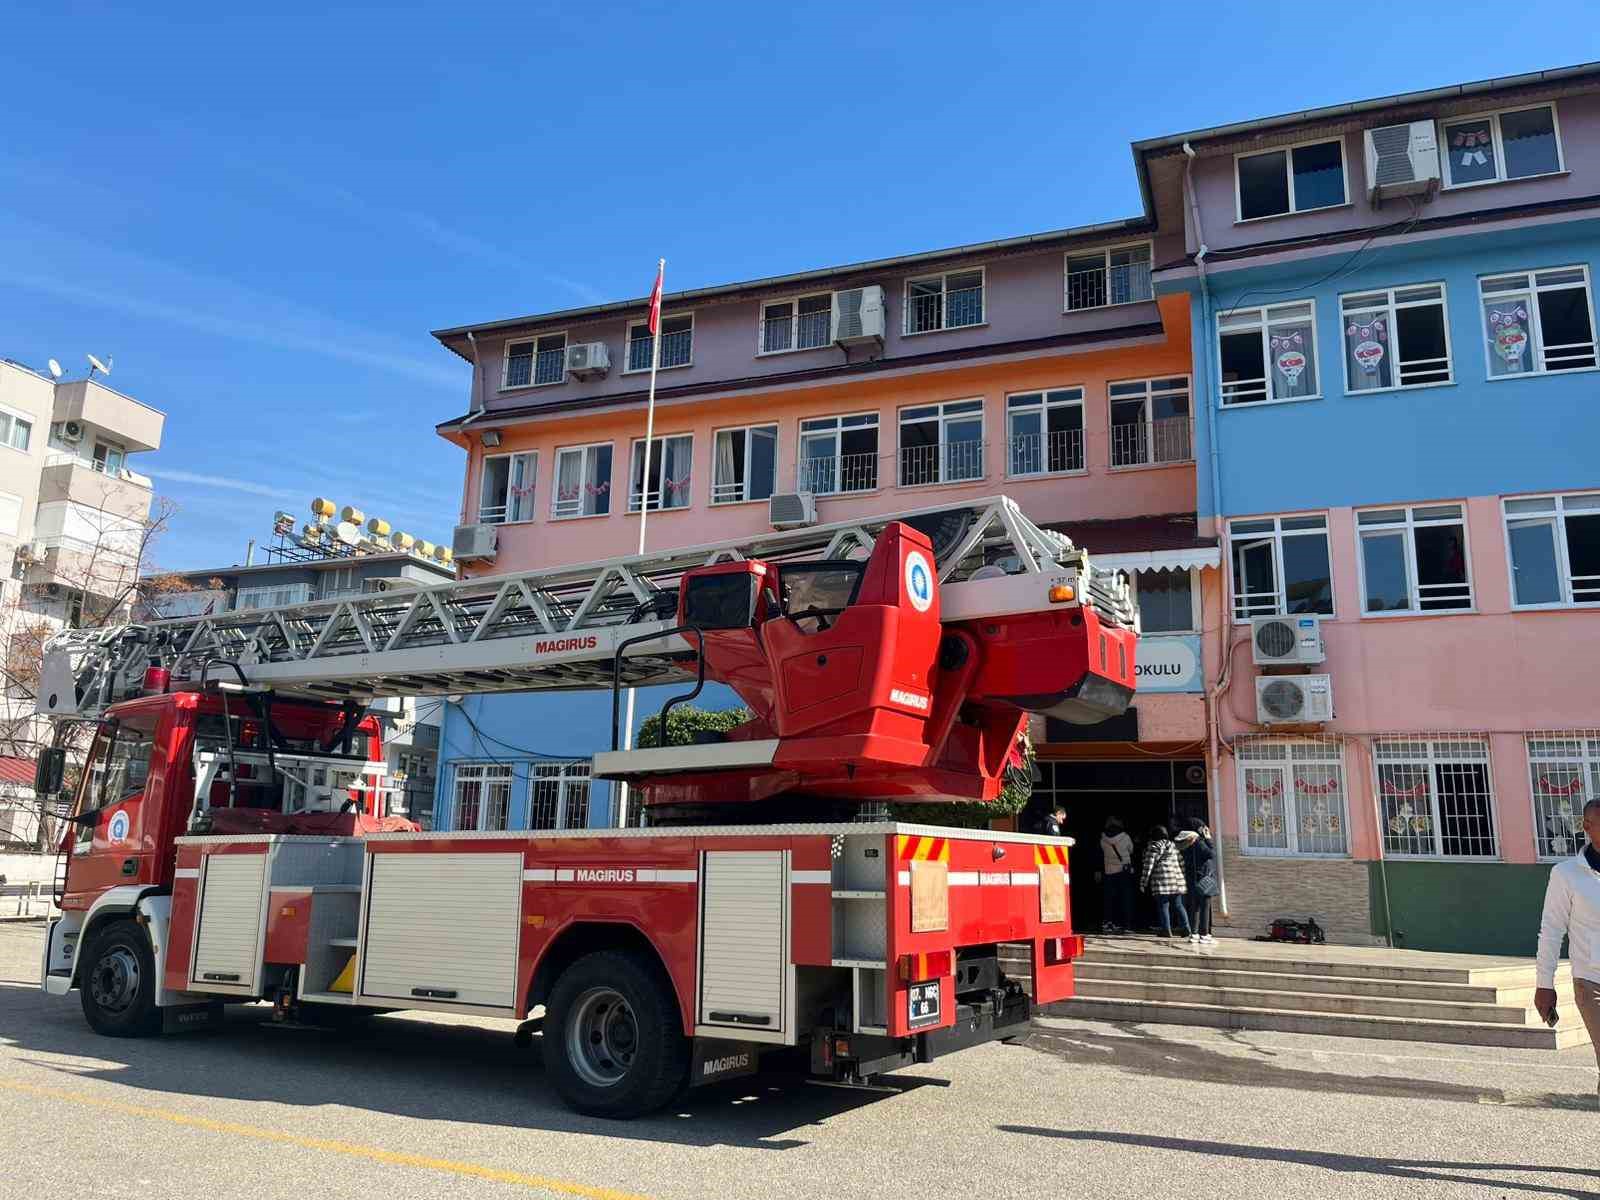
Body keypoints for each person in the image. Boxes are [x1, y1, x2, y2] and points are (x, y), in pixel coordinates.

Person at [1535, 797, 1600, 1100]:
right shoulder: (1567, 875)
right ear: (1588, 827)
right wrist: (1544, 985)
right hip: (1591, 983)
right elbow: (1551, 930)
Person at [1139, 824, 1190, 941]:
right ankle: (1186, 928)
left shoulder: (1153, 847)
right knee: (1179, 905)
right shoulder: (1174, 846)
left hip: (1161, 881)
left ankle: (1166, 930)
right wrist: (1182, 877)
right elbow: (1181, 863)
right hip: (1176, 881)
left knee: (1163, 906)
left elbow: (1148, 866)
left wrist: (1143, 883)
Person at [1176, 825, 1218, 946]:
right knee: (1205, 907)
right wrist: (1208, 839)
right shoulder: (1199, 844)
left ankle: (1194, 934)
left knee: (1195, 908)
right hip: (1203, 879)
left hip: (1192, 880)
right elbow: (1211, 854)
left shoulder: (1184, 846)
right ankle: (1204, 935)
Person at [1100, 817, 1135, 933]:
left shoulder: (1103, 838)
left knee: (1109, 898)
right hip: (1123, 871)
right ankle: (1126, 925)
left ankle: (1109, 922)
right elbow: (1131, 850)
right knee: (1125, 898)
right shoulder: (1125, 837)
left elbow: (1102, 851)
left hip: (1109, 871)